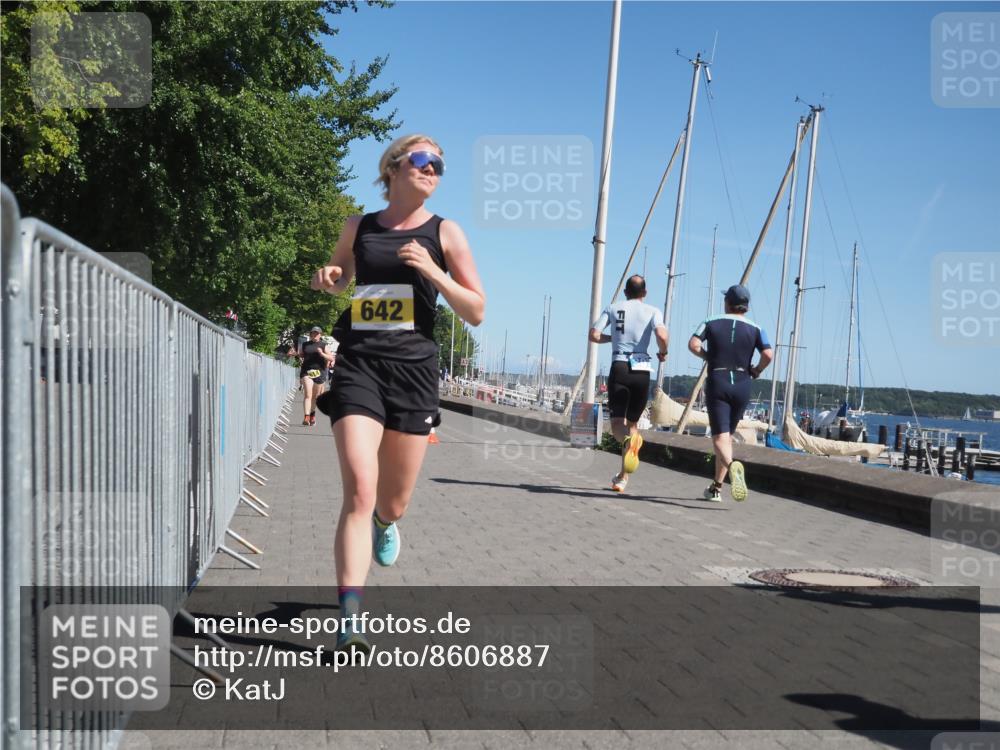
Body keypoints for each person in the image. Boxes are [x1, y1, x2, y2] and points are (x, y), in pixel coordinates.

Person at [310, 134, 485, 651]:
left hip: (413, 373)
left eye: (440, 163)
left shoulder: (445, 232)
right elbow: (343, 279)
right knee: (360, 489)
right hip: (361, 364)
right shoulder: (359, 226)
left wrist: (433, 271)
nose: (434, 168)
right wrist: (329, 278)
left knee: (392, 501)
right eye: (424, 159)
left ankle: (387, 523)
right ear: (393, 167)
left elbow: (476, 309)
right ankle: (349, 618)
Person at [688, 284, 773, 502]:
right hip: (743, 382)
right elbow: (768, 354)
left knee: (719, 437)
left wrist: (708, 356)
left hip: (719, 379)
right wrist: (757, 370)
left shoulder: (711, 321)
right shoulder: (757, 328)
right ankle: (716, 488)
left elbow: (693, 344)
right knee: (727, 440)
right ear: (746, 306)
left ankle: (733, 466)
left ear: (727, 303)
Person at [589, 275, 668, 493]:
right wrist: (663, 352)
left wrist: (611, 339)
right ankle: (622, 478)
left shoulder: (613, 308)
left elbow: (594, 334)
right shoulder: (653, 311)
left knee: (617, 425)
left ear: (626, 292)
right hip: (642, 370)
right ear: (645, 292)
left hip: (621, 367)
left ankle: (630, 447)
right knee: (633, 425)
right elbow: (661, 334)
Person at [298, 326, 334, 425]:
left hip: (319, 372)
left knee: (315, 397)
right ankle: (306, 417)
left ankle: (312, 414)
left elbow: (331, 358)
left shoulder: (323, 345)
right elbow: (301, 354)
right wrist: (296, 354)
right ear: (310, 334)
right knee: (308, 394)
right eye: (312, 333)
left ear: (320, 335)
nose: (314, 335)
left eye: (316, 333)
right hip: (307, 372)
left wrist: (322, 354)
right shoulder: (305, 344)